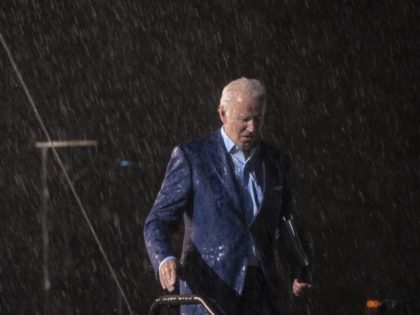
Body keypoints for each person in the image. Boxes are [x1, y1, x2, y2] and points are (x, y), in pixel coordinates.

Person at [144, 78, 312, 314]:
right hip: (210, 291)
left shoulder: (276, 163)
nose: (252, 128)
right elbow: (157, 220)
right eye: (244, 119)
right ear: (222, 114)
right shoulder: (193, 157)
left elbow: (288, 223)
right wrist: (163, 258)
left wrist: (298, 266)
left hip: (261, 293)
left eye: (258, 119)